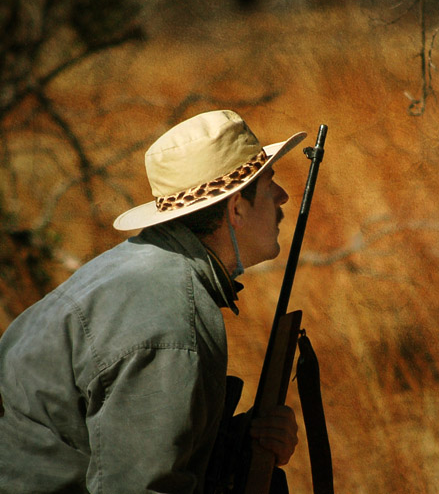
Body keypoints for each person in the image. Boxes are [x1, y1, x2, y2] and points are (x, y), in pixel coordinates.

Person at [0, 110, 305, 492]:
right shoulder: (170, 323)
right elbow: (142, 485)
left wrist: (240, 442)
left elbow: (98, 439)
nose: (283, 196)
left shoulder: (141, 267)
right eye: (268, 183)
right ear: (237, 209)